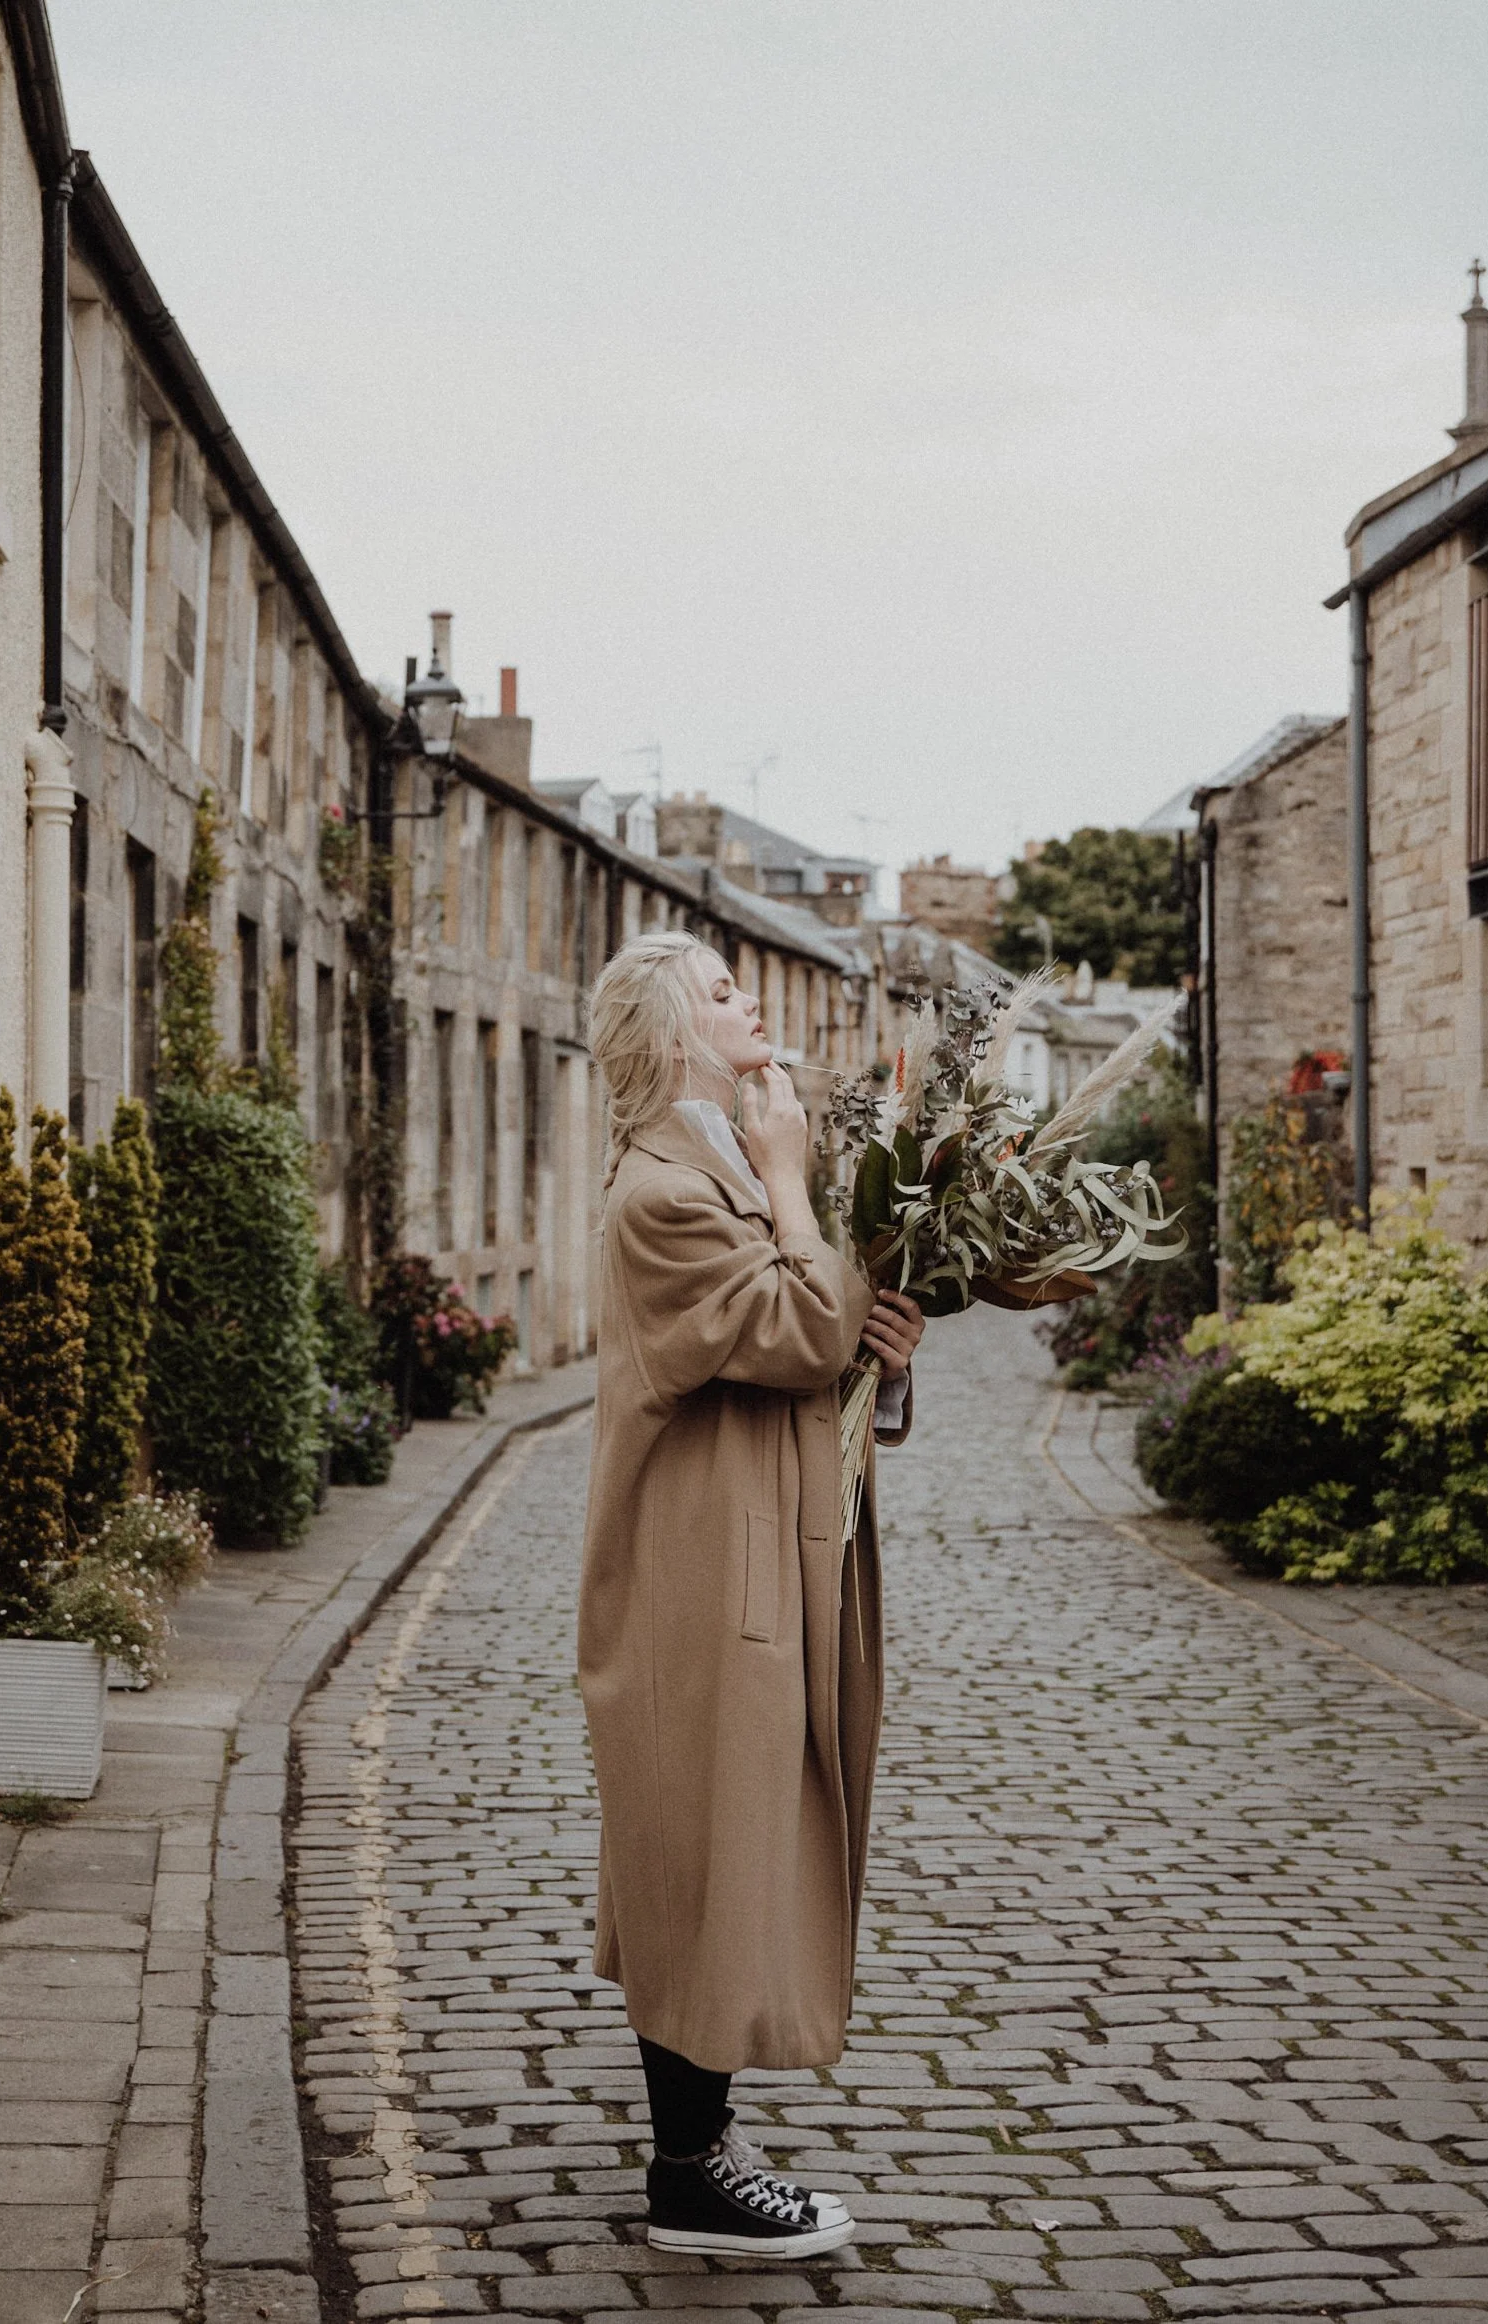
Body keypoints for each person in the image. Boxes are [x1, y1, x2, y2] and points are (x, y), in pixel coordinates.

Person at [580, 930, 923, 2259]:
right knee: (698, 1853)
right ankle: (686, 2176)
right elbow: (785, 1327)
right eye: (723, 993)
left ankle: (701, 2145)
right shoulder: (664, 1192)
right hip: (692, 1580)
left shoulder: (714, 1165)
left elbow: (810, 1344)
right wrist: (795, 1187)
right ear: (671, 1037)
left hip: (755, 1558)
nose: (752, 1003)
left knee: (726, 1850)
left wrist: (879, 1359)